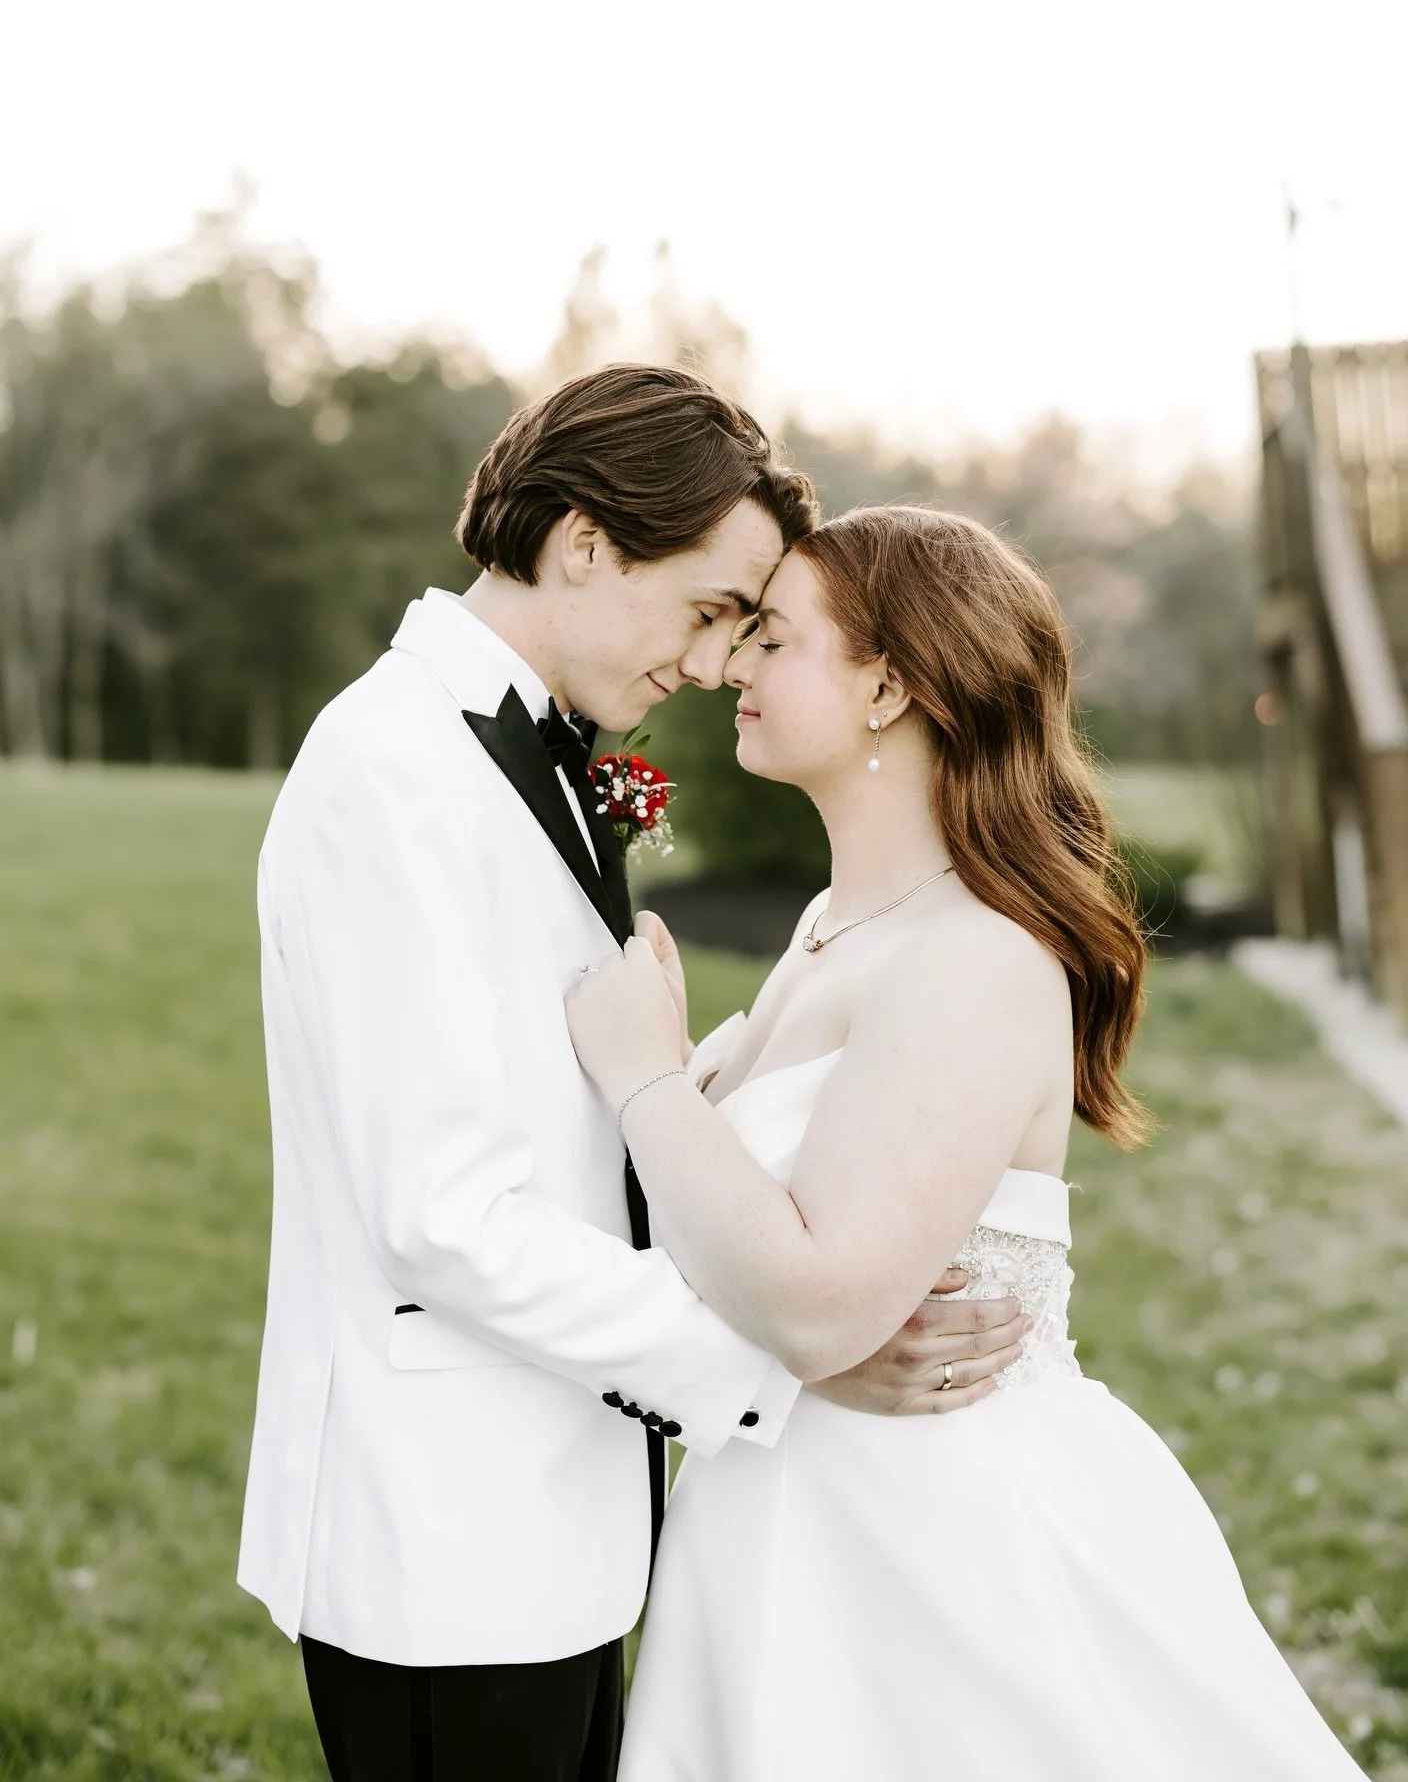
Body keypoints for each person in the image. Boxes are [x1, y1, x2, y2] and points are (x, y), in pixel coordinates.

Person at [237, 370, 1029, 1782]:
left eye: (747, 627)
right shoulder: (392, 776)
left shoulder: (517, 756)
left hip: (556, 1515)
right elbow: (446, 1214)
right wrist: (790, 1364)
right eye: (714, 608)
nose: (721, 660)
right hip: (450, 1541)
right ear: (587, 544)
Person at [566, 503, 1368, 1781]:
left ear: (887, 683)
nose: (730, 667)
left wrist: (651, 1080)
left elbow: (822, 1310)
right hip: (780, 1522)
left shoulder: (978, 961)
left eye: (774, 639)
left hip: (930, 1560)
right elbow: (742, 1257)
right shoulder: (836, 923)